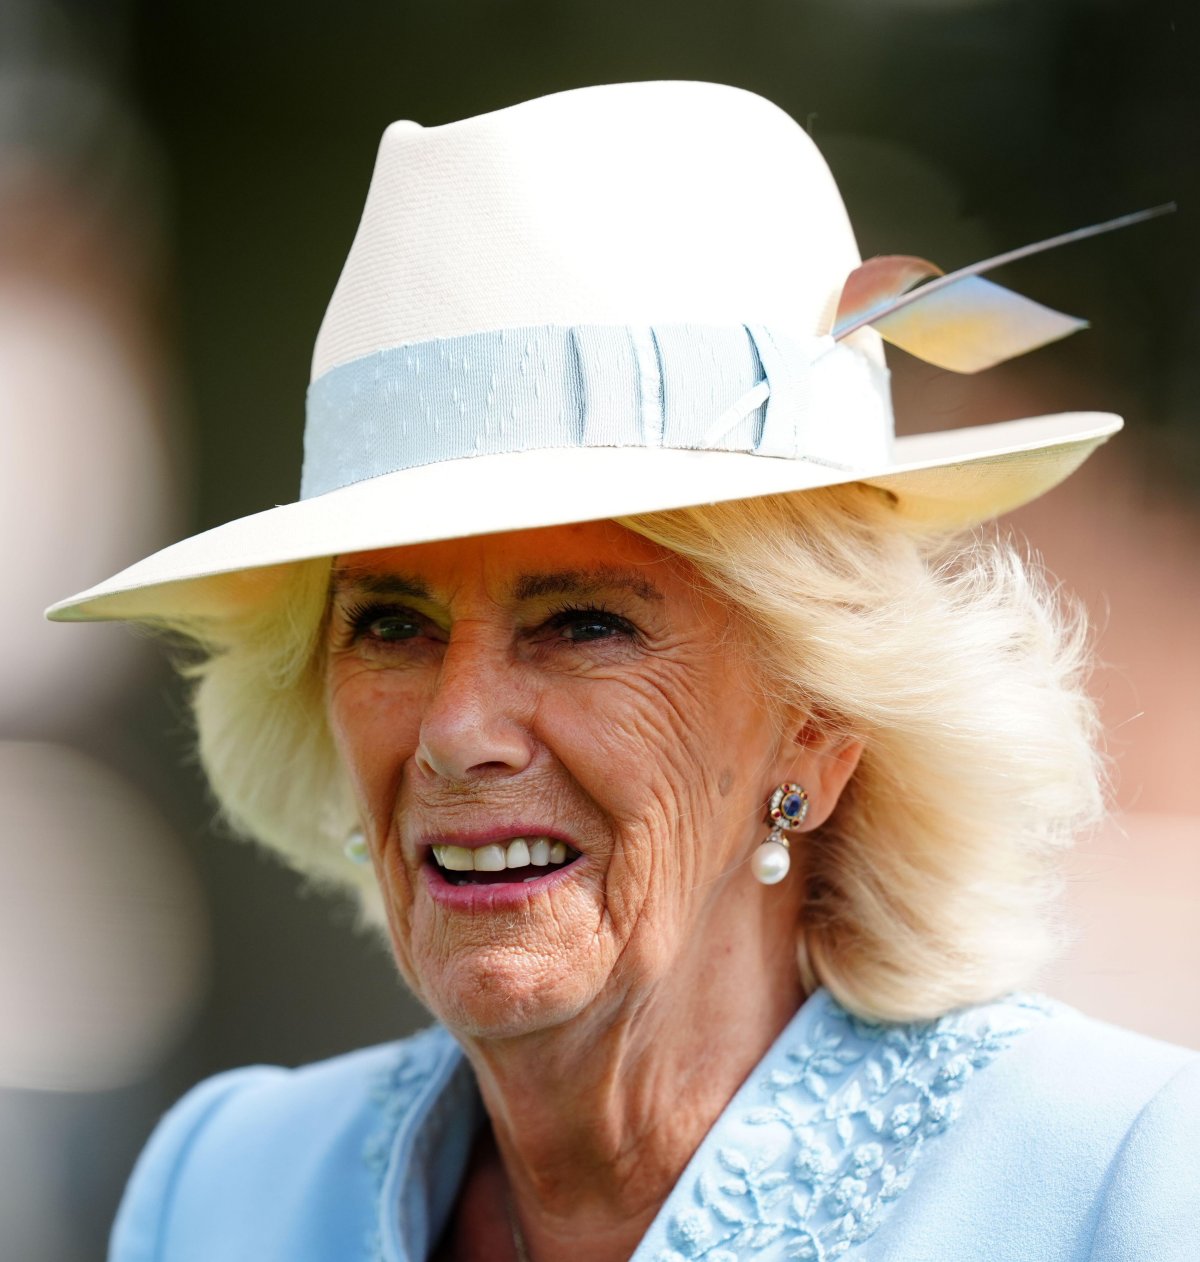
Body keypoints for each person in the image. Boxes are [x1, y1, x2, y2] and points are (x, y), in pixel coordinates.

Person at [50, 81, 1198, 1262]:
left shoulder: (1119, 1182)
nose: (458, 727)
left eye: (584, 623)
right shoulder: (225, 1189)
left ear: (817, 720)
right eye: (392, 624)